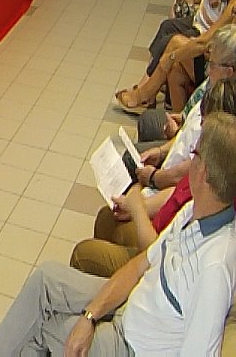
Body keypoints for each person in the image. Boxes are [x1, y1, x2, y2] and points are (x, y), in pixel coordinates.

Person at [0, 112, 236, 357]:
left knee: (43, 329)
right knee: (45, 280)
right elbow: (139, 266)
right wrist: (90, 315)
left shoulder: (214, 268)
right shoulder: (193, 211)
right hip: (131, 304)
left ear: (203, 172)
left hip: (131, 346)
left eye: (194, 154)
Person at [71, 70, 236, 278]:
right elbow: (178, 191)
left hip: (156, 259)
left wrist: (138, 207)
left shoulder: (212, 194)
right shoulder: (207, 171)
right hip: (158, 235)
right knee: (107, 217)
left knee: (83, 254)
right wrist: (139, 205)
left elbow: (160, 258)